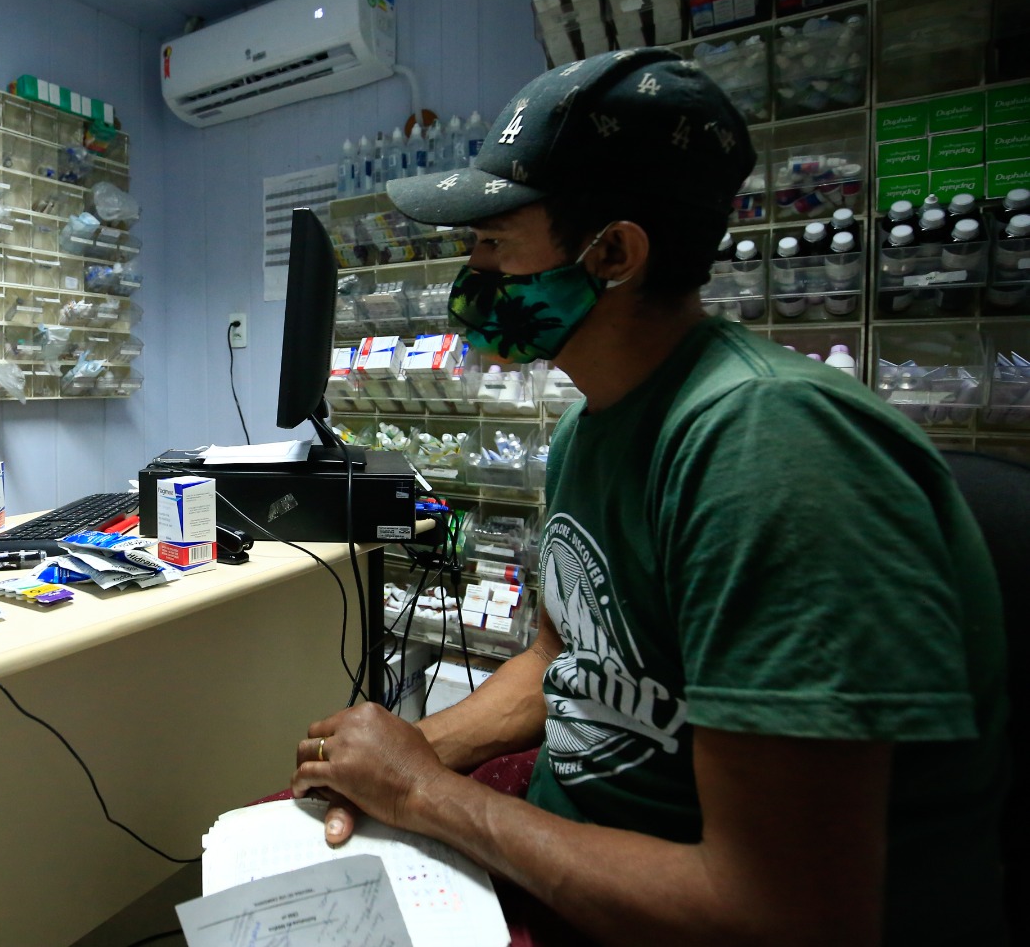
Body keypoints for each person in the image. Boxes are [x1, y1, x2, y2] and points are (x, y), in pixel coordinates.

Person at [290, 49, 1008, 944]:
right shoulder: (589, 429)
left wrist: (425, 793)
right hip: (573, 855)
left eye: (494, 243)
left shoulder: (770, 447)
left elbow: (784, 916)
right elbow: (559, 658)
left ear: (614, 254)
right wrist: (405, 754)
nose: (469, 275)